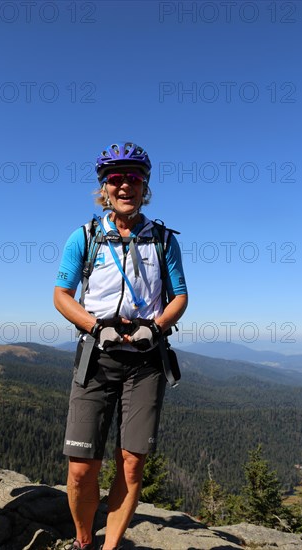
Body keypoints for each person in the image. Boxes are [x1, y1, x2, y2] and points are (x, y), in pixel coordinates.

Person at [54, 142, 188, 550]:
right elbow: (62, 294)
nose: (125, 185)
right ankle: (83, 541)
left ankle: (109, 548)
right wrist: (96, 327)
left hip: (146, 360)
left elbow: (180, 296)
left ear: (145, 185)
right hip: (96, 356)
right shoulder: (86, 237)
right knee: (80, 469)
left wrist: (157, 327)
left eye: (133, 177)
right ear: (104, 188)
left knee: (131, 466)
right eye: (116, 178)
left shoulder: (163, 240)